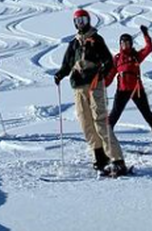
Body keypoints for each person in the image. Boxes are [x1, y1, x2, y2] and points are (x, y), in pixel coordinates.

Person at [54, 9, 131, 176]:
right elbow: (67, 63)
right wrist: (60, 74)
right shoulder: (73, 43)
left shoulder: (96, 39)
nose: (80, 23)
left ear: (88, 20)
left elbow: (108, 61)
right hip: (78, 86)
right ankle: (100, 157)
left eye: (83, 20)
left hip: (95, 85)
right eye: (77, 21)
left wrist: (101, 72)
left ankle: (117, 160)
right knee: (85, 122)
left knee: (100, 120)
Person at [108, 25, 152, 142]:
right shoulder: (117, 59)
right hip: (122, 91)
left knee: (147, 113)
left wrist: (146, 34)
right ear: (120, 44)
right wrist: (100, 85)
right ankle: (105, 136)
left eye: (127, 42)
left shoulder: (135, 56)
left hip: (137, 90)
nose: (125, 45)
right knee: (115, 114)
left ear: (131, 44)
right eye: (123, 42)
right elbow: (110, 75)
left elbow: (149, 48)